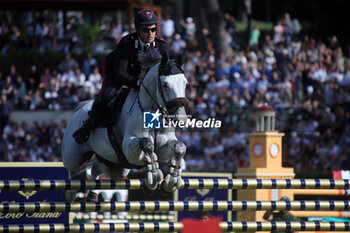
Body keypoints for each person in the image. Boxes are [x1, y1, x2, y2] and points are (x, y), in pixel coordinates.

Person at [73, 9, 169, 144]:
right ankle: (88, 125)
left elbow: (165, 72)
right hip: (119, 73)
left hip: (145, 79)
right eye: (146, 30)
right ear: (137, 29)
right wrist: (137, 82)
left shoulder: (162, 45)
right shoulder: (126, 43)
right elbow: (120, 73)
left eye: (153, 30)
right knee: (107, 95)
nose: (150, 34)